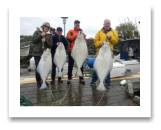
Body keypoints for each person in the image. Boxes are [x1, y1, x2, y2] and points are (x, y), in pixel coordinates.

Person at [90, 19, 119, 88]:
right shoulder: (99, 32)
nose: (108, 25)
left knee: (107, 68)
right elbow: (95, 41)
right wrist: (100, 43)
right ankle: (94, 81)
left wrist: (110, 37)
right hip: (100, 54)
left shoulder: (113, 32)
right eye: (107, 23)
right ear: (104, 24)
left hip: (108, 54)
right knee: (97, 67)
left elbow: (115, 41)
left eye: (109, 23)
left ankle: (107, 82)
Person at [32, 22, 53, 89]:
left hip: (45, 55)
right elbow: (34, 40)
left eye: (48, 27)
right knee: (38, 69)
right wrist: (41, 35)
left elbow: (50, 45)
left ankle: (44, 80)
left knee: (45, 68)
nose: (47, 28)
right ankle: (38, 82)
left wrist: (45, 40)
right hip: (37, 54)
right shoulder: (37, 32)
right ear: (43, 26)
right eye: (45, 26)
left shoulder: (49, 35)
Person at [67, 20, 87, 84]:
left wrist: (81, 35)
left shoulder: (83, 33)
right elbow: (69, 38)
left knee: (81, 65)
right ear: (74, 24)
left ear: (79, 24)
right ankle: (69, 78)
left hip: (80, 52)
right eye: (76, 23)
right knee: (70, 65)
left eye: (78, 23)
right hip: (72, 51)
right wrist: (76, 35)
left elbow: (85, 42)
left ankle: (81, 78)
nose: (77, 24)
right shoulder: (70, 31)